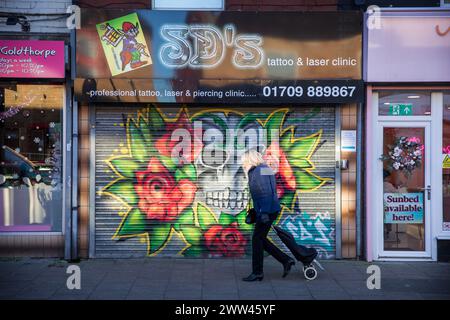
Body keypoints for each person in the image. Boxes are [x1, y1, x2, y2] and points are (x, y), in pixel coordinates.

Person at [241, 149, 295, 282]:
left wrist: (263, 212)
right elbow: (269, 190)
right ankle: (286, 260)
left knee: (257, 240)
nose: (243, 164)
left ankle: (257, 272)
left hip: (267, 211)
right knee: (260, 239)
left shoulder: (257, 171)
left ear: (250, 159)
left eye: (244, 161)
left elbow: (264, 192)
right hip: (270, 209)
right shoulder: (265, 169)